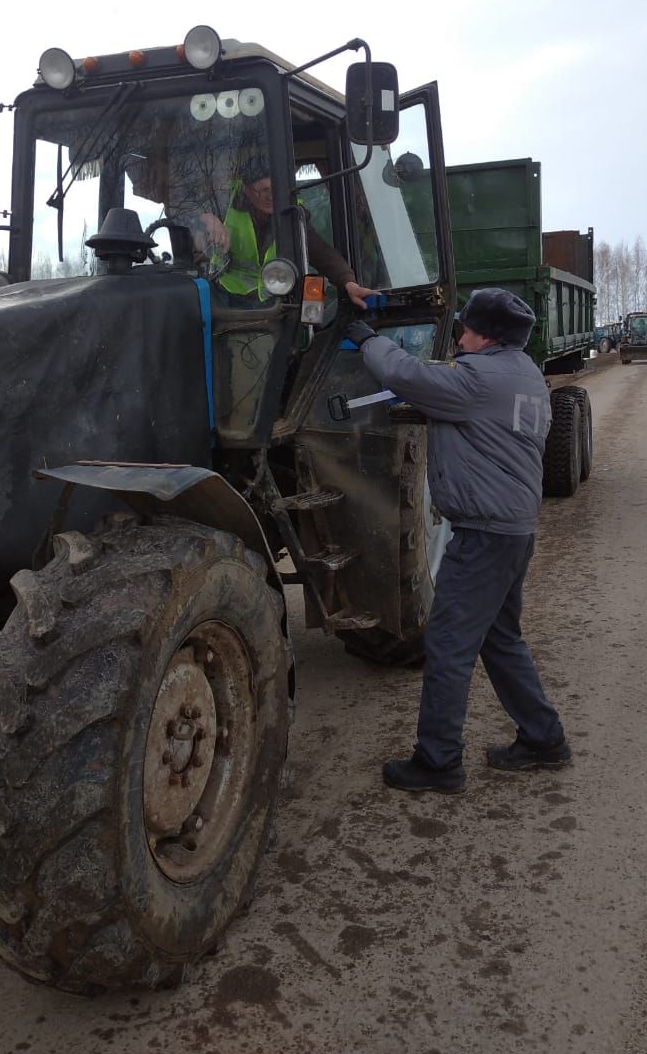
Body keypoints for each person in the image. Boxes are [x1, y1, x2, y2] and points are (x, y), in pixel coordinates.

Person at [344, 287, 571, 793]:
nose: (458, 337)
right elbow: (472, 418)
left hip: (484, 535)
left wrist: (365, 340)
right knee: (500, 637)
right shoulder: (526, 375)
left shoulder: (475, 378)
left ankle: (438, 761)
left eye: (464, 329)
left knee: (447, 644)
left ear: (485, 335)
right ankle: (542, 737)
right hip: (513, 531)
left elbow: (406, 375)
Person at [200, 157, 378, 308]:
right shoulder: (222, 206)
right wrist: (205, 219)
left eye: (275, 189)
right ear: (247, 191)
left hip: (274, 302)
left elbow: (321, 253)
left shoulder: (293, 213)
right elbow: (187, 214)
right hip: (228, 301)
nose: (271, 196)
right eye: (264, 190)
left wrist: (348, 282)